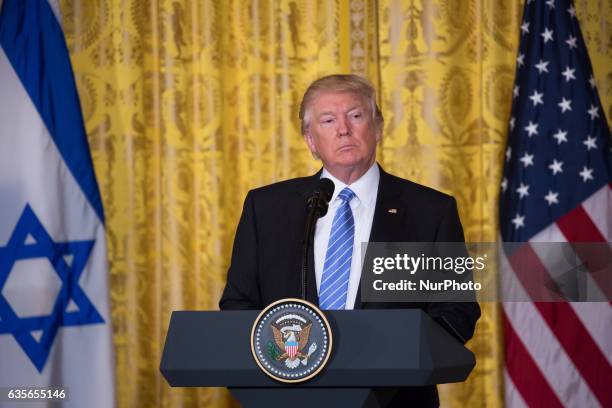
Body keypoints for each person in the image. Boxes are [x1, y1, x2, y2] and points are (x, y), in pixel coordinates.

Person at [219, 74, 480, 407]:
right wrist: (284, 360)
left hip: (396, 400)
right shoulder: (267, 208)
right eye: (328, 121)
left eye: (355, 116)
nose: (343, 129)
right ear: (311, 140)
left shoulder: (429, 211)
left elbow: (456, 311)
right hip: (288, 397)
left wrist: (394, 356)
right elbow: (238, 305)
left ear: (378, 128)